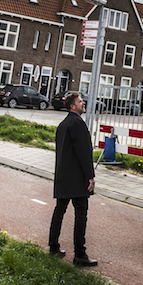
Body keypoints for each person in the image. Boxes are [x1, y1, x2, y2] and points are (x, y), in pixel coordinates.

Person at [48, 91, 97, 266]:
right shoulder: (77, 124)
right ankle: (80, 254)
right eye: (79, 101)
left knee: (59, 210)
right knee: (81, 213)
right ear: (72, 106)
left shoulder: (63, 124)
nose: (83, 103)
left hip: (63, 175)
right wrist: (90, 176)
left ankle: (53, 246)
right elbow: (84, 152)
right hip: (76, 178)